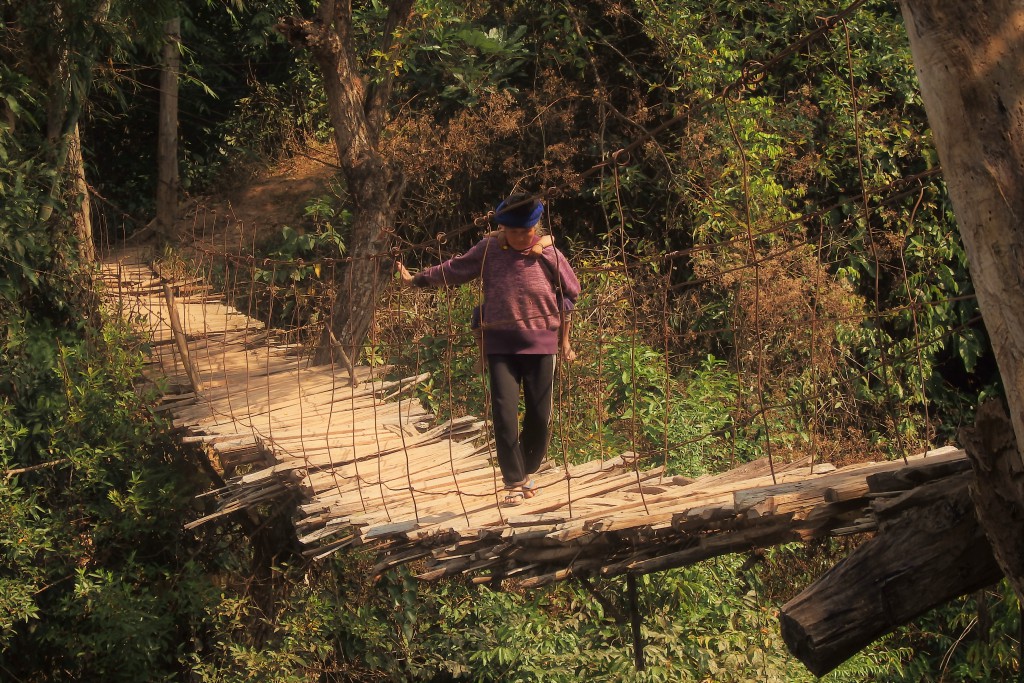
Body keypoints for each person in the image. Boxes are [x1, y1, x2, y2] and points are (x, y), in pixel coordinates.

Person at [396, 193, 581, 506]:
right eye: (514, 232)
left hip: (541, 342)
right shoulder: (489, 250)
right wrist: (418, 279)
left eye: (527, 232)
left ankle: (527, 468)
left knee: (539, 416)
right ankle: (514, 481)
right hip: (500, 344)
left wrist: (563, 335)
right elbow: (456, 268)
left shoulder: (549, 254)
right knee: (504, 413)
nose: (522, 238)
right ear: (502, 229)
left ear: (536, 226)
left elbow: (572, 290)